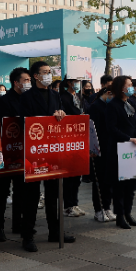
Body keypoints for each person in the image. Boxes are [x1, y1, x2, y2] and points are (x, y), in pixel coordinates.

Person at [19, 61, 75, 251]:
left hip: (52, 151)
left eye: (50, 71)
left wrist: (61, 114)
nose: (48, 75)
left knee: (53, 194)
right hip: (34, 152)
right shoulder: (27, 97)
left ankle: (54, 232)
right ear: (36, 76)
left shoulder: (55, 94)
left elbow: (61, 117)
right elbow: (24, 122)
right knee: (32, 196)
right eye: (45, 72)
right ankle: (28, 236)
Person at [98, 76, 136, 229]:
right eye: (129, 85)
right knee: (119, 186)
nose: (132, 88)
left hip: (133, 148)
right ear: (121, 88)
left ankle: (128, 213)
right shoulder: (113, 105)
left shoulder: (132, 103)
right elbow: (111, 128)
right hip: (119, 149)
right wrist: (129, 138)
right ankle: (120, 216)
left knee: (131, 185)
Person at [0, 68, 28, 241]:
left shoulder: (30, 98)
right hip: (6, 151)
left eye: (29, 80)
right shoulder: (4, 101)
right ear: (16, 82)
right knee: (3, 191)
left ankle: (18, 223)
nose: (28, 83)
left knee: (21, 190)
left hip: (23, 150)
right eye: (25, 80)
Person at [88, 85, 116, 222]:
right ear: (108, 93)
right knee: (99, 180)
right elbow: (92, 130)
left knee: (109, 179)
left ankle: (107, 207)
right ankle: (98, 210)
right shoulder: (95, 107)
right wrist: (92, 148)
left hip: (110, 147)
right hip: (99, 149)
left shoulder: (110, 106)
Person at [58, 77, 85, 218]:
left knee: (77, 174)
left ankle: (74, 203)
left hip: (80, 138)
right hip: (69, 139)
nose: (78, 84)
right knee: (69, 176)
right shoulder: (63, 98)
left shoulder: (78, 96)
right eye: (76, 81)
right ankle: (68, 206)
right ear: (69, 83)